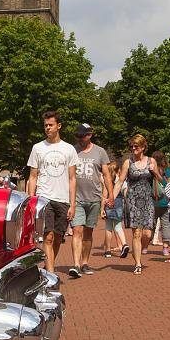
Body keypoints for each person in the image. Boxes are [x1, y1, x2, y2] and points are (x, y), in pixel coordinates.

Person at [26, 111, 80, 276]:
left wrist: (72, 204)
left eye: (51, 125)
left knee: (57, 238)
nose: (47, 128)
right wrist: (32, 201)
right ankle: (50, 274)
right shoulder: (38, 148)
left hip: (63, 199)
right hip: (44, 198)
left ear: (59, 126)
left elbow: (72, 178)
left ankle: (49, 266)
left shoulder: (69, 149)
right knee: (48, 237)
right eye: (45, 125)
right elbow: (33, 176)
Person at [110, 134, 159, 274]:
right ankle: (137, 263)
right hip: (133, 201)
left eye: (136, 146)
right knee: (136, 233)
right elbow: (120, 182)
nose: (133, 148)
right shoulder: (128, 162)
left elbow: (159, 179)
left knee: (147, 234)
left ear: (143, 147)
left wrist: (155, 172)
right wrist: (112, 198)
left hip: (148, 201)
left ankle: (139, 250)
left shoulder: (151, 161)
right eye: (131, 146)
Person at [69, 123, 113, 278]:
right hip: (77, 199)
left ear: (90, 135)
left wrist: (111, 195)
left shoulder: (100, 152)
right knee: (77, 230)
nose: (80, 139)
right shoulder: (72, 151)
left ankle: (84, 263)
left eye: (82, 136)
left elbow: (106, 175)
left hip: (94, 198)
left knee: (88, 232)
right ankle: (75, 264)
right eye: (78, 136)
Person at [102, 160, 128, 258]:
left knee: (108, 227)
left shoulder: (107, 181)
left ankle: (108, 250)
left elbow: (104, 195)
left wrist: (102, 208)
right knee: (118, 227)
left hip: (109, 204)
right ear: (118, 170)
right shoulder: (120, 180)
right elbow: (125, 192)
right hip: (119, 204)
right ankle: (124, 244)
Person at [149, 151, 170, 257]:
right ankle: (165, 248)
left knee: (150, 223)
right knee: (165, 224)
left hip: (152, 200)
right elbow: (169, 184)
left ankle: (145, 246)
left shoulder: (150, 169)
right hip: (164, 201)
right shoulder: (167, 170)